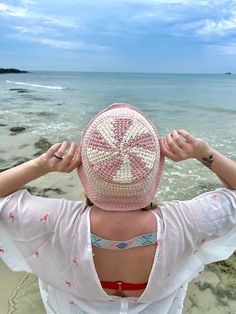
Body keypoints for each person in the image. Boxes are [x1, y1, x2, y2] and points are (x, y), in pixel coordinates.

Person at [0, 103, 235, 314]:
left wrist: (41, 165)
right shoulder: (187, 222)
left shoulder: (56, 221)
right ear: (154, 172)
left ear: (86, 169)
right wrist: (204, 154)